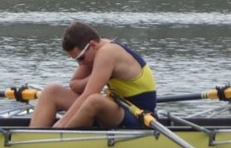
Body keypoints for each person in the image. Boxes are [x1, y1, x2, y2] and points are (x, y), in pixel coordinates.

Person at [29, 22, 157, 129]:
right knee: (51, 91)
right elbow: (75, 85)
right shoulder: (93, 51)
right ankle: (32, 135)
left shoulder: (107, 52)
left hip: (137, 114)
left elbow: (88, 95)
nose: (80, 64)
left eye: (81, 58)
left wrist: (60, 125)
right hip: (116, 106)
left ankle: (57, 136)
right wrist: (93, 77)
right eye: (76, 60)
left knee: (93, 100)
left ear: (93, 45)